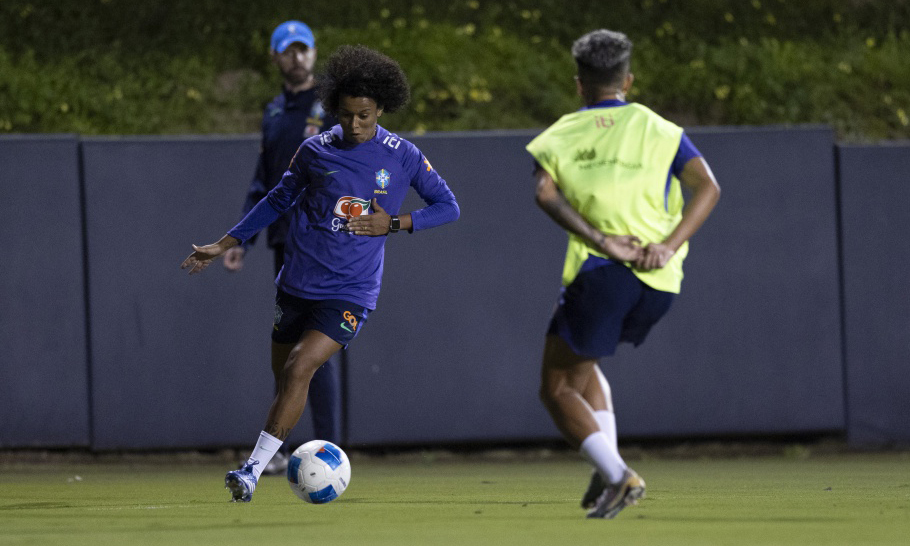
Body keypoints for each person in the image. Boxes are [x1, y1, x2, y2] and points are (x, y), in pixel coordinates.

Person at [181, 44, 460, 503]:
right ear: (335, 109)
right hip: (295, 286)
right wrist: (226, 242)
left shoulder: (403, 155)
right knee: (286, 378)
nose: (354, 125)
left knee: (299, 367)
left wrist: (393, 223)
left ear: (381, 109)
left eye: (365, 116)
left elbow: (449, 207)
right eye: (347, 114)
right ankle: (287, 451)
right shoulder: (314, 151)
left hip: (349, 292)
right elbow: (275, 200)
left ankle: (250, 471)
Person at [525, 29, 720, 519]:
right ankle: (606, 469)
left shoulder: (563, 132)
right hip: (660, 281)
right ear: (627, 80)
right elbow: (709, 188)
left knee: (557, 388)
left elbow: (545, 194)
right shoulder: (663, 130)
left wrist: (604, 241)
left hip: (605, 272)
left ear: (578, 85)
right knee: (586, 369)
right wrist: (669, 246)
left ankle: (619, 475)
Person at [222, 20, 339, 475]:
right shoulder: (273, 113)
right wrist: (242, 239)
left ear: (313, 53)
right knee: (289, 350)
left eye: (304, 49)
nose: (297, 57)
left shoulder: (332, 108)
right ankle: (286, 447)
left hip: (325, 244)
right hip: (285, 242)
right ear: (275, 57)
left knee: (317, 349)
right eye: (288, 51)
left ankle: (328, 449)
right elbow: (263, 183)